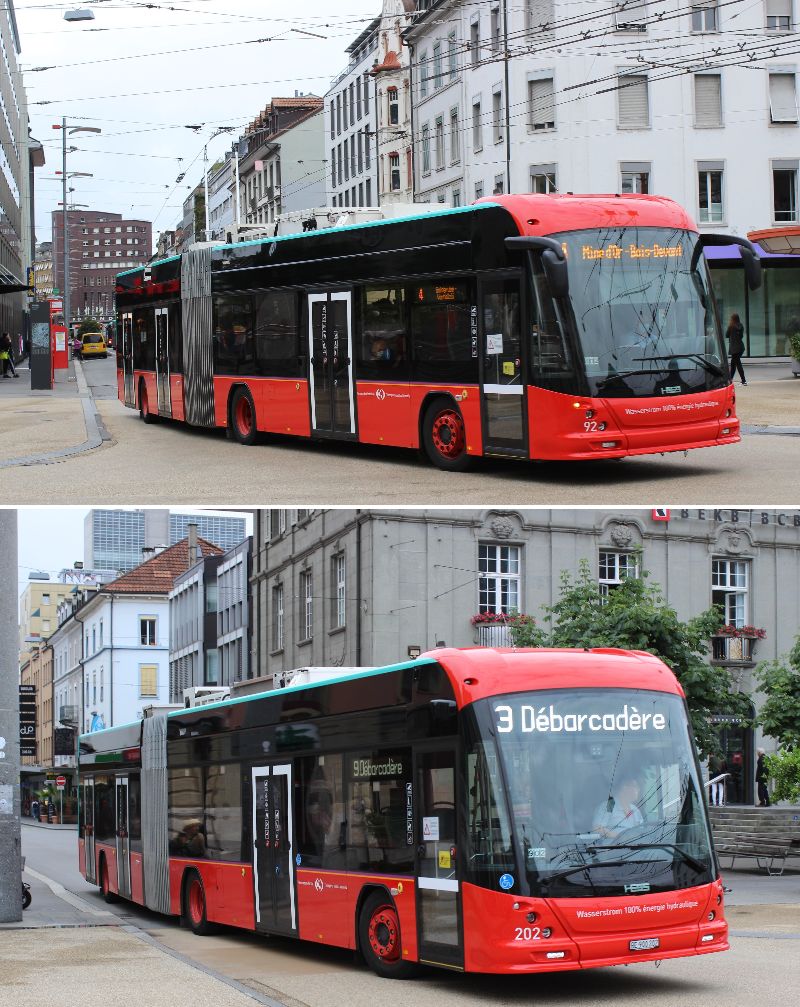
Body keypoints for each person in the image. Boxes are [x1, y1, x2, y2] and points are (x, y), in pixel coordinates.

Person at [593, 772, 644, 838]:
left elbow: (641, 832)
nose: (638, 789)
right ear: (623, 787)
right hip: (613, 846)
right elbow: (597, 828)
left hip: (634, 846)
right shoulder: (610, 804)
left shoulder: (635, 810)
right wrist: (620, 837)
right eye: (635, 786)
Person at [726, 313, 747, 385]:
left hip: (734, 349)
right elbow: (741, 336)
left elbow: (726, 335)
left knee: (737, 364)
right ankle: (730, 380)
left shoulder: (731, 326)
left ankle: (744, 381)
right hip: (740, 347)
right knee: (733, 364)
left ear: (732, 319)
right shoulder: (741, 326)